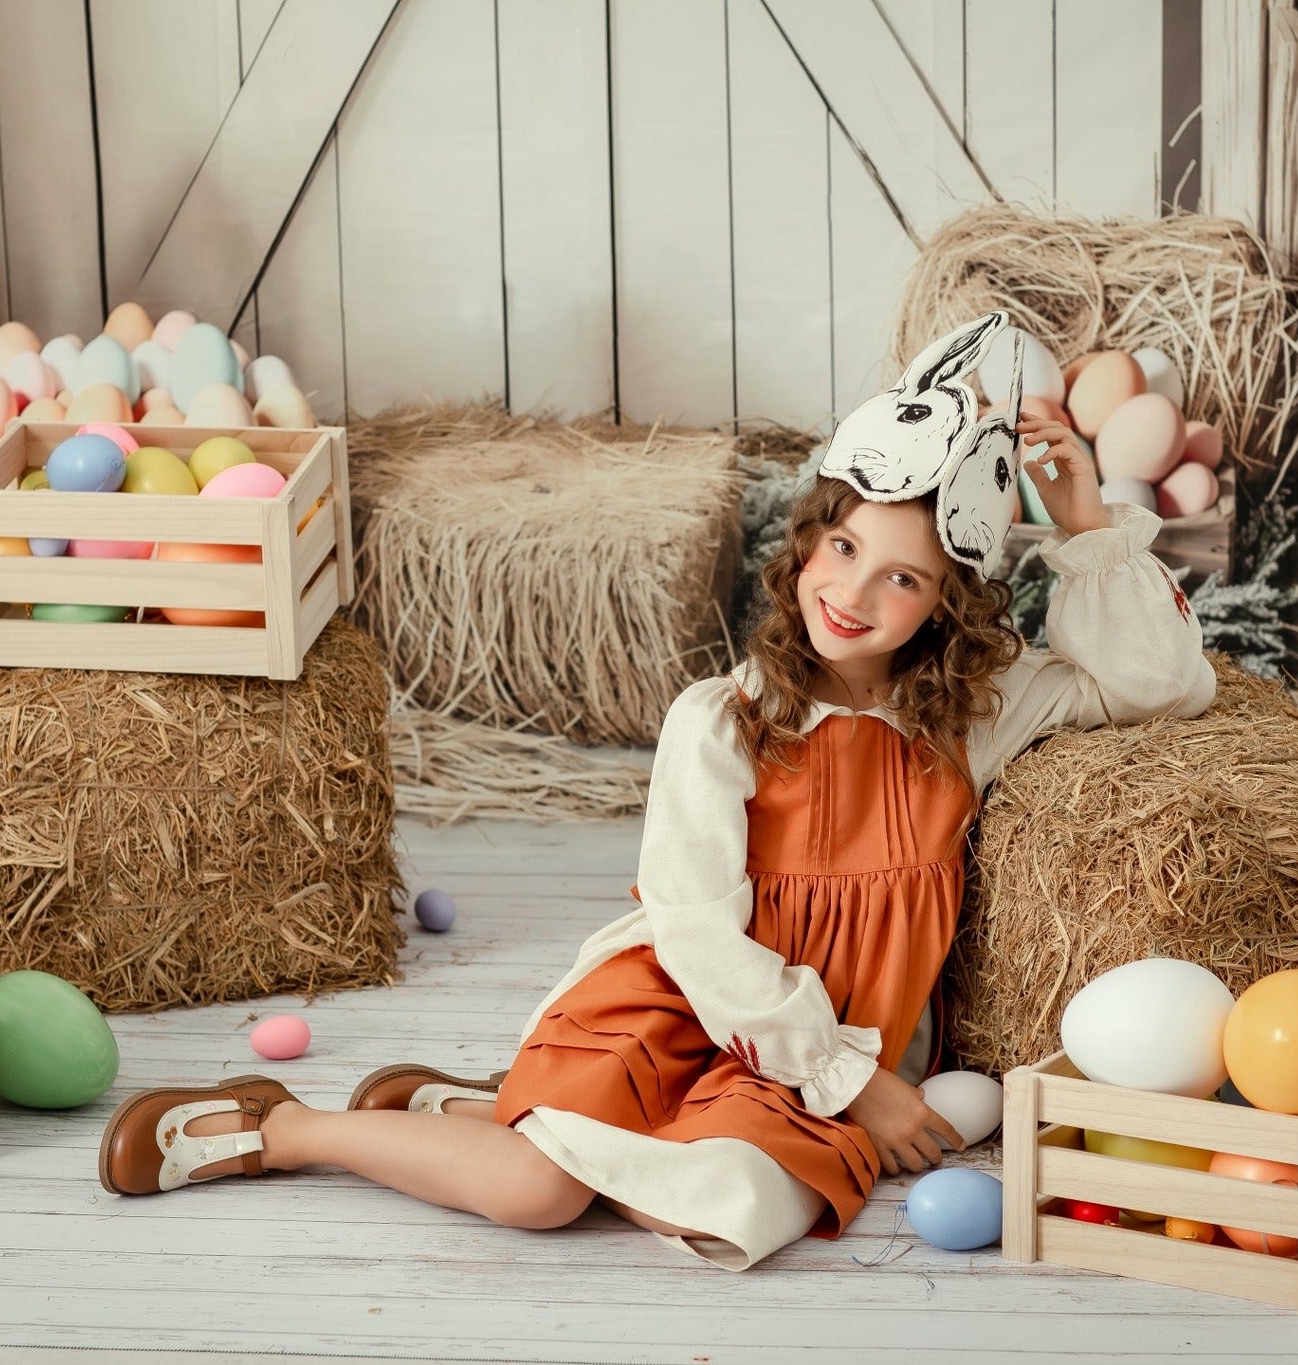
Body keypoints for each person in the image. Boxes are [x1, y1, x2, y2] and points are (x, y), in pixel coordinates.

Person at [97, 311, 1216, 1270]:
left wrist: (1082, 528)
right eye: (839, 549)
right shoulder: (720, 722)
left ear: (943, 605)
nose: (854, 593)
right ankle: (286, 1130)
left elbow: (1161, 681)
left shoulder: (972, 714)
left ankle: (490, 1116)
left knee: (728, 1206)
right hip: (697, 998)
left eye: (902, 578)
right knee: (540, 1199)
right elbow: (693, 929)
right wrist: (853, 1086)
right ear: (804, 546)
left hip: (833, 1036)